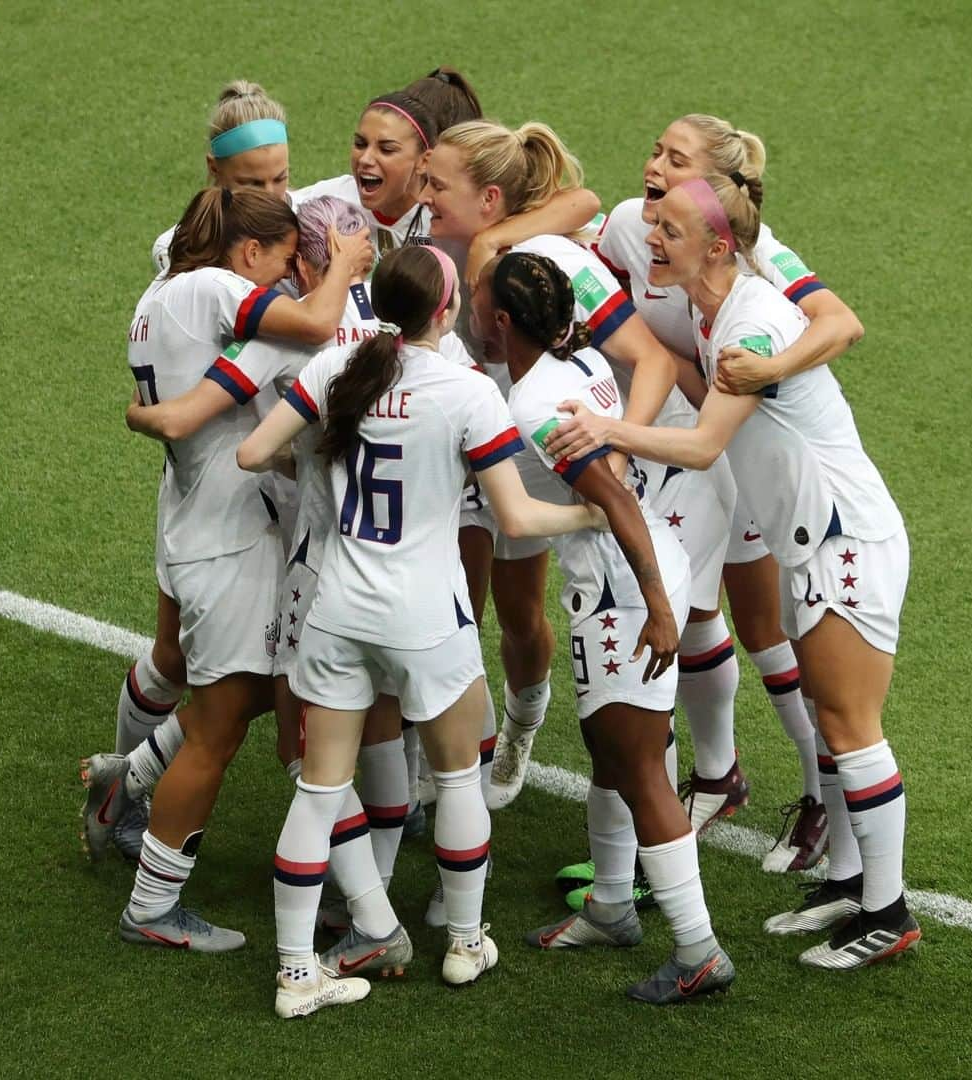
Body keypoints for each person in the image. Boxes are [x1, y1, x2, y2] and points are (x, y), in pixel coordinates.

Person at [548, 173, 919, 969]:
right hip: (813, 539)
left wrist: (605, 430)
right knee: (828, 714)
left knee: (852, 727)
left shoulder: (749, 327)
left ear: (718, 246)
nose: (652, 237)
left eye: (671, 230)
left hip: (843, 539)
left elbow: (704, 444)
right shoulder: (714, 309)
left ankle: (888, 913)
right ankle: (847, 884)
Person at [234, 245, 607, 1015]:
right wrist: (591, 512)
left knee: (317, 792)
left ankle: (297, 973)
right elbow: (515, 516)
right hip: (427, 617)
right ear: (444, 311)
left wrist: (320, 468)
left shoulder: (337, 370)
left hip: (336, 612)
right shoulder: (468, 391)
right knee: (459, 778)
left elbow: (250, 451)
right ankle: (466, 944)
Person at [565, 112, 866, 868]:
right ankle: (716, 772)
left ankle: (817, 796)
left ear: (717, 187)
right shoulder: (641, 226)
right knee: (692, 607)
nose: (654, 165)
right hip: (683, 435)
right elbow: (575, 217)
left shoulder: (756, 253)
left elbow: (839, 322)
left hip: (737, 450)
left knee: (767, 628)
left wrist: (767, 370)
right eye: (655, 150)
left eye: (676, 158)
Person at [82, 187, 373, 953]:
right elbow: (308, 325)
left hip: (205, 522)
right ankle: (151, 907)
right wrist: (342, 263)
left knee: (244, 701)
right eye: (277, 265)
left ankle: (128, 778)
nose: (280, 282)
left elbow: (199, 404)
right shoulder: (212, 286)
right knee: (217, 731)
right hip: (228, 538)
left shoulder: (160, 295)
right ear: (246, 254)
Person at [471, 250, 735, 1004]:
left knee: (642, 770)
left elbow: (614, 502)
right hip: (631, 577)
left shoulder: (532, 409)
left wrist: (655, 609)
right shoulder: (579, 358)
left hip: (624, 588)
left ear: (501, 322)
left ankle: (699, 952)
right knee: (612, 753)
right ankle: (613, 905)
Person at [420, 119, 696, 811]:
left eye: (435, 183)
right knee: (452, 607)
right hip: (466, 456)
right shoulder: (432, 253)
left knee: (518, 618)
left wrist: (618, 440)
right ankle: (441, 772)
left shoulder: (544, 260)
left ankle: (520, 722)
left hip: (542, 459)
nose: (421, 195)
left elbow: (654, 359)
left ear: (488, 201)